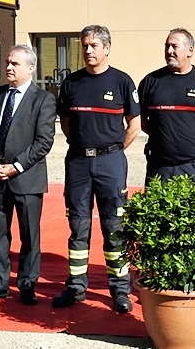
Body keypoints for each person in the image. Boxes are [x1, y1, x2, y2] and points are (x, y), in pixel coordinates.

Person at [53, 25, 141, 313]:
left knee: (114, 227)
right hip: (78, 162)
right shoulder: (71, 83)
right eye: (85, 45)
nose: (88, 50)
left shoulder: (122, 82)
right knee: (78, 226)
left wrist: (111, 151)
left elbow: (134, 125)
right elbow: (66, 123)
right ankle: (76, 285)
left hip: (110, 163)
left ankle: (119, 289)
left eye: (93, 45)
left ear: (107, 48)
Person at [0, 44, 57, 305]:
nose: (8, 67)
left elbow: (44, 142)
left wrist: (16, 166)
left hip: (26, 179)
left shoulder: (43, 99)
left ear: (31, 68)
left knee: (29, 236)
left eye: (15, 64)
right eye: (8, 62)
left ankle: (27, 284)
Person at [138, 28, 195, 185]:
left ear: (190, 50)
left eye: (174, 46)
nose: (169, 51)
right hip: (160, 166)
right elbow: (137, 117)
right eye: (167, 46)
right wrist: (158, 135)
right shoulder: (151, 81)